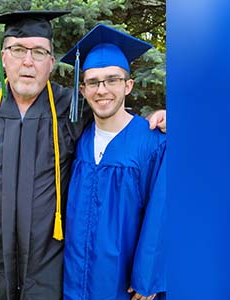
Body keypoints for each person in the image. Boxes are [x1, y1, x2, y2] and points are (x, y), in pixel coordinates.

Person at [0, 11, 166, 299]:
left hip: (48, 256)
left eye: (39, 52)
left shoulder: (69, 108)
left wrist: (159, 118)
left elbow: (115, 119)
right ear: (3, 57)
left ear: (51, 63)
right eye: (18, 50)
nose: (28, 62)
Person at [59, 24, 167, 300]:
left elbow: (162, 215)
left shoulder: (153, 143)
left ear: (128, 85)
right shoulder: (78, 139)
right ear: (82, 90)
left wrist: (147, 278)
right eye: (93, 82)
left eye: (112, 80)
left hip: (122, 284)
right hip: (75, 279)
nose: (102, 89)